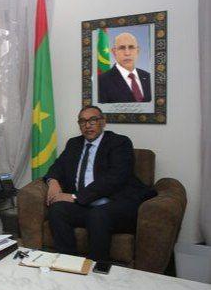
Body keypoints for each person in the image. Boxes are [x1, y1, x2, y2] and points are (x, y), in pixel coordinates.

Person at [44, 106, 156, 261]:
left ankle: (96, 266)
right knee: (57, 209)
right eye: (82, 121)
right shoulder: (74, 144)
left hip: (115, 204)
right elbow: (57, 166)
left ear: (103, 122)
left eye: (93, 120)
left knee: (98, 215)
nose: (87, 125)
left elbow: (115, 179)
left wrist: (75, 197)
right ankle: (68, 262)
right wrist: (53, 181)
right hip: (86, 206)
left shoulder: (119, 143)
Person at [98, 32, 152, 103]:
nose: (127, 53)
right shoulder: (101, 81)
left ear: (137, 51)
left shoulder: (149, 77)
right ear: (114, 52)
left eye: (131, 47)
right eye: (122, 48)